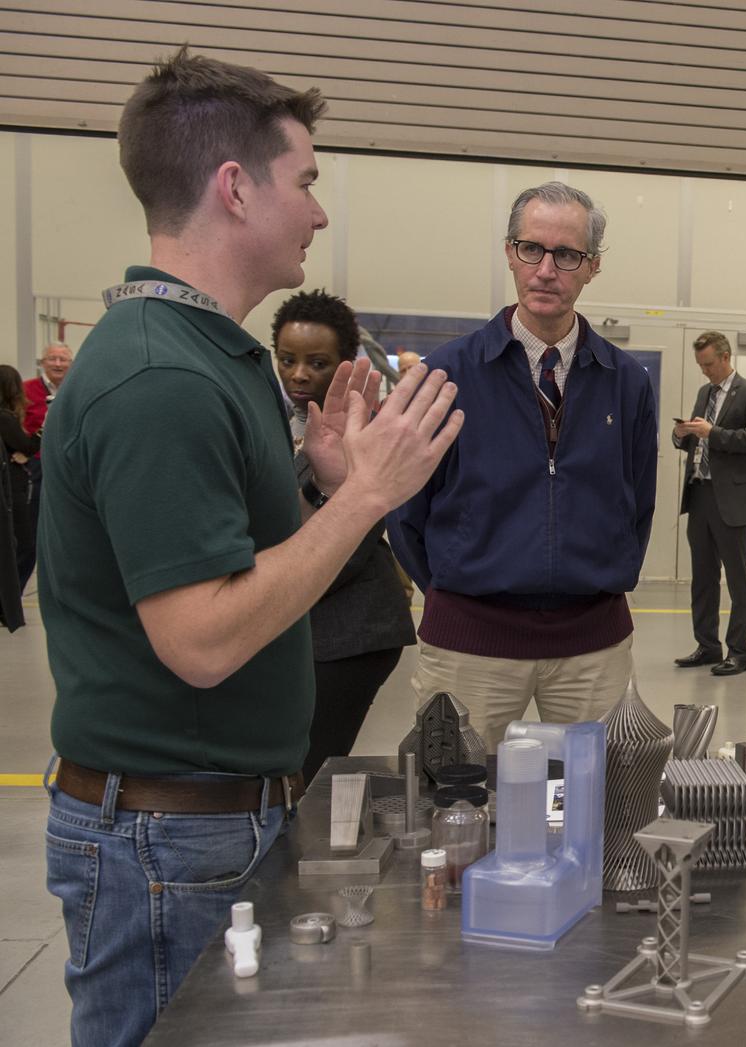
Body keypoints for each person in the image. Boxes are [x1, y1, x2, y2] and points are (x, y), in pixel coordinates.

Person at [39, 48, 463, 1047]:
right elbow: (204, 639)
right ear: (235, 189)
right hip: (168, 840)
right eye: (304, 181)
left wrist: (324, 484)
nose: (318, 212)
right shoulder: (162, 378)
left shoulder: (210, 357)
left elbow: (230, 563)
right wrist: (367, 498)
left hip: (207, 824)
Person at [388, 181, 658, 750]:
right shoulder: (445, 376)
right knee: (456, 793)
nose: (546, 270)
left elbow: (637, 503)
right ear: (510, 252)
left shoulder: (626, 383)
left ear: (593, 266)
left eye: (567, 255)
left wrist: (599, 574)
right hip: (469, 643)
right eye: (531, 249)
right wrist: (459, 590)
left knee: (601, 793)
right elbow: (407, 509)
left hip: (593, 645)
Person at [272, 289, 417, 784]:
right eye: (287, 359)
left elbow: (351, 541)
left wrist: (269, 585)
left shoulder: (363, 432)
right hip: (296, 621)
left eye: (317, 362)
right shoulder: (271, 421)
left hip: (348, 630)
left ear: (344, 364)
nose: (298, 374)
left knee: (305, 770)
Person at [672, 331, 746, 676]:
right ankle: (708, 646)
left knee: (738, 579)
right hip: (700, 494)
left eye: (709, 364)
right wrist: (681, 435)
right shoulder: (705, 393)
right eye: (700, 365)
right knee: (703, 577)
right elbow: (696, 440)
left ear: (726, 358)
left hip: (733, 500)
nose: (705, 371)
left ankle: (740, 651)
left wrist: (712, 433)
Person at [22, 342, 72, 537]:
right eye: (52, 359)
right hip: (36, 464)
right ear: (43, 363)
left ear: (71, 364)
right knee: (33, 518)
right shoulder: (26, 389)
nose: (58, 364)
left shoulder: (76, 389)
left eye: (63, 359)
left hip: (69, 463)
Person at [1, 364, 39, 606]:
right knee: (25, 544)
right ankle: (9, 599)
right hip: (12, 489)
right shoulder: (5, 418)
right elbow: (26, 446)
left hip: (14, 486)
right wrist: (45, 428)